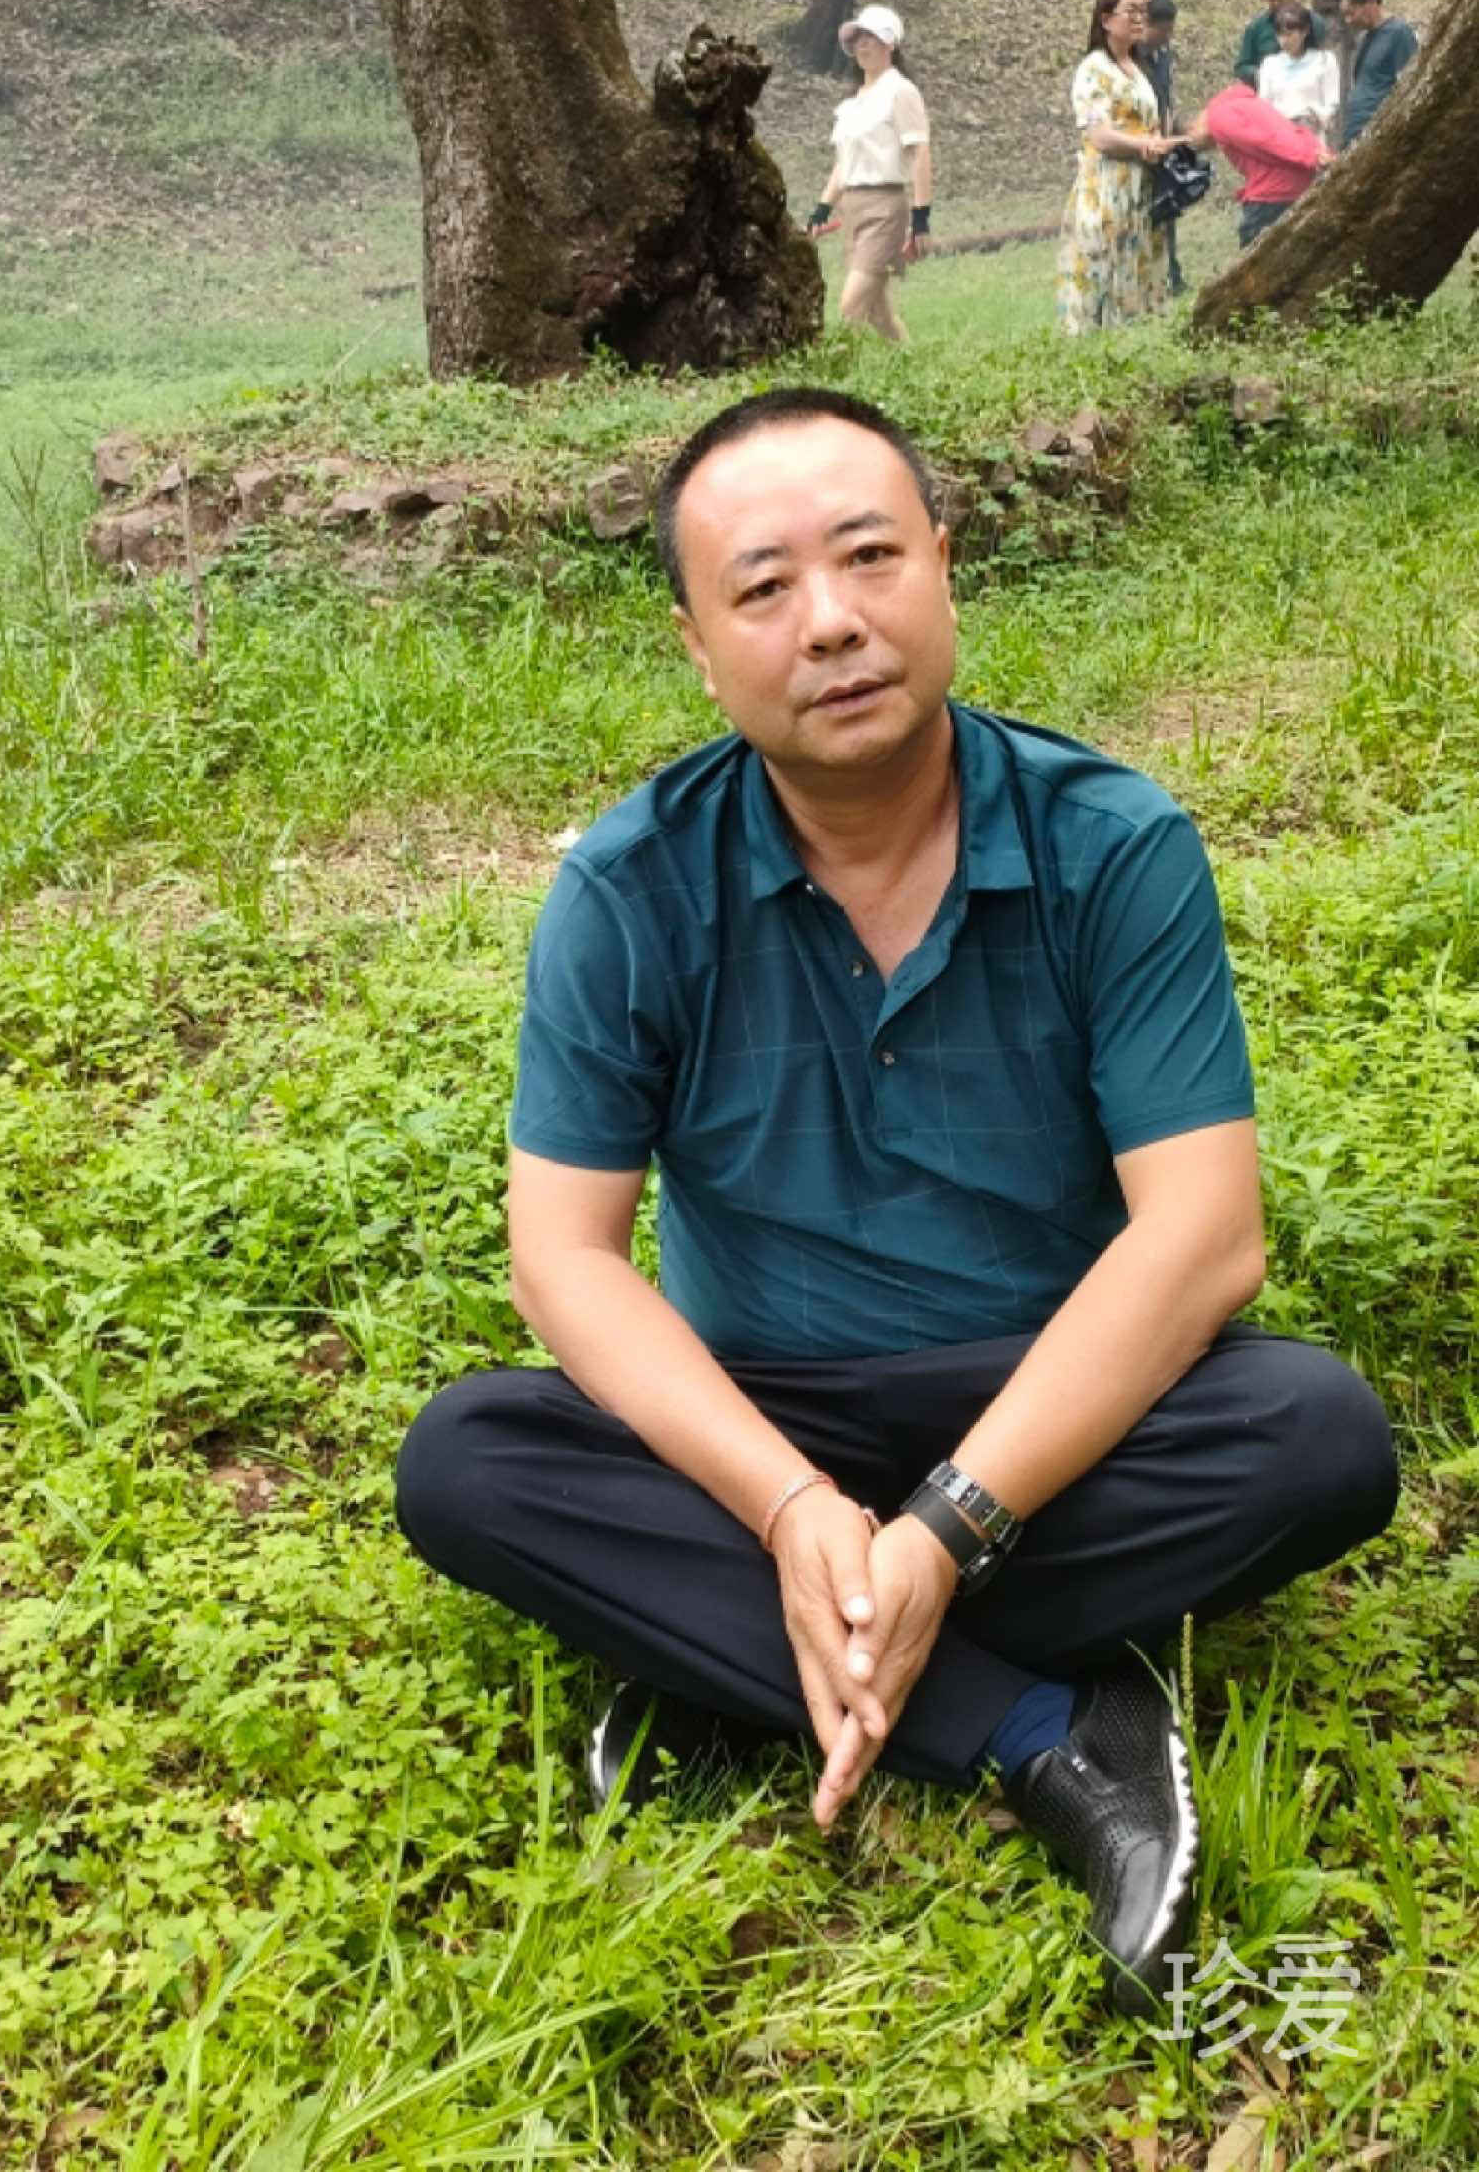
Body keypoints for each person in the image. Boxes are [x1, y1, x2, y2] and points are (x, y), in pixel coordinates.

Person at [394, 386, 1398, 2017]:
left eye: (869, 558)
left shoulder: (1113, 847)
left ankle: (717, 1664)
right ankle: (1050, 1735)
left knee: (1318, 1438)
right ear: (696, 646)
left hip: (1048, 1412)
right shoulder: (632, 887)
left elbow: (1204, 1235)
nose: (833, 622)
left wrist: (949, 1523)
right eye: (763, 589)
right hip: (761, 1425)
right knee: (466, 1464)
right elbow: (565, 1263)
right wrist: (798, 1511)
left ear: (944, 566)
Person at [805, 5, 933, 346]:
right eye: (859, 37)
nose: (864, 45)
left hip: (885, 207)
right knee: (878, 312)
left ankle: (842, 380)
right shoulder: (855, 102)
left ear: (890, 44)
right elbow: (842, 163)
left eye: (873, 37)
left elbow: (919, 151)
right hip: (853, 206)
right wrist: (823, 208)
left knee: (851, 306)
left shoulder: (900, 91)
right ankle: (911, 361)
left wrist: (921, 218)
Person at [1057, 0, 1174, 336]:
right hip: (1106, 190)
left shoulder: (1140, 70)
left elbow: (1150, 124)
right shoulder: (1093, 70)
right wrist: (1141, 146)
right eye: (1131, 11)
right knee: (1101, 275)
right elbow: (1100, 136)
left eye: (1143, 11)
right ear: (1107, 20)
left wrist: (1159, 142)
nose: (1140, 19)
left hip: (1141, 191)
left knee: (1138, 277)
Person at [1187, 82, 1332, 246]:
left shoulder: (1219, 118)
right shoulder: (1248, 104)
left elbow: (1263, 143)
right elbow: (1287, 132)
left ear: (1191, 127)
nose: (1194, 142)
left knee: (1255, 262)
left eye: (1191, 139)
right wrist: (1314, 150)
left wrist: (1308, 156)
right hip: (1296, 184)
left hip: (1273, 194)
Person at [1138, 0, 1187, 296]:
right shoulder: (1133, 57)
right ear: (1148, 24)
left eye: (1170, 30)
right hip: (1142, 143)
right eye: (1163, 30)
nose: (1167, 37)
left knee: (1167, 210)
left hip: (1163, 141)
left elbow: (1166, 98)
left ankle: (1172, 273)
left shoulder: (1163, 55)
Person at [1341, 0, 1421, 146]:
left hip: (1377, 134)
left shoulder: (1399, 33)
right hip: (1354, 133)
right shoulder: (1364, 38)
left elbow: (1410, 86)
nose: (1349, 20)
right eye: (1345, 15)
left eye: (1351, 12)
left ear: (1371, 0)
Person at [1236, 0, 1327, 86]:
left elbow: (1324, 61)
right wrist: (1260, 74)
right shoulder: (1256, 28)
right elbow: (1242, 66)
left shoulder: (1316, 23)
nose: (1275, 3)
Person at [1258, 3, 1340, 142]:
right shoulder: (1270, 64)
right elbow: (1263, 104)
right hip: (1278, 136)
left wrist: (1317, 114)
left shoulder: (1325, 60)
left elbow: (1332, 102)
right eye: (1280, 35)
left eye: (1289, 34)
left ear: (1305, 31)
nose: (1284, 40)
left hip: (1311, 137)